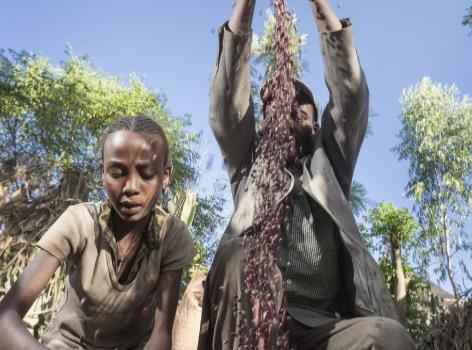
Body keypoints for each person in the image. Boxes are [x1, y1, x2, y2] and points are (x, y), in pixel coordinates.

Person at [198, 0, 415, 349]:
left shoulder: (328, 164)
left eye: (300, 100)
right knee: (238, 253)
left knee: (388, 336)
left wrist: (319, 6)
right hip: (255, 326)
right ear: (263, 122)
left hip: (323, 329)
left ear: (316, 123)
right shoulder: (249, 164)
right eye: (274, 101)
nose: (287, 102)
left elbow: (351, 97)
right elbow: (226, 102)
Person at [0, 116, 196, 350]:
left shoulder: (172, 237)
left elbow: (161, 334)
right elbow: (5, 319)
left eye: (146, 173)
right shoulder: (79, 222)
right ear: (102, 172)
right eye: (116, 173)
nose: (131, 187)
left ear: (165, 176)